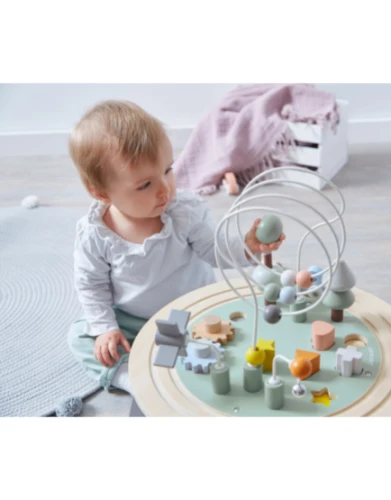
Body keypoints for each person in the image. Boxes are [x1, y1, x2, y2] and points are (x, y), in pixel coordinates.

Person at [67, 100, 284, 394]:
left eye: (167, 170)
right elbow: (91, 285)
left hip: (191, 310)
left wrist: (248, 247)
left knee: (227, 335)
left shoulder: (183, 212)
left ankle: (182, 359)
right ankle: (127, 377)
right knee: (81, 337)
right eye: (145, 185)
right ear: (103, 194)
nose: (165, 189)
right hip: (133, 319)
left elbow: (215, 249)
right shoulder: (95, 234)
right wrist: (107, 329)